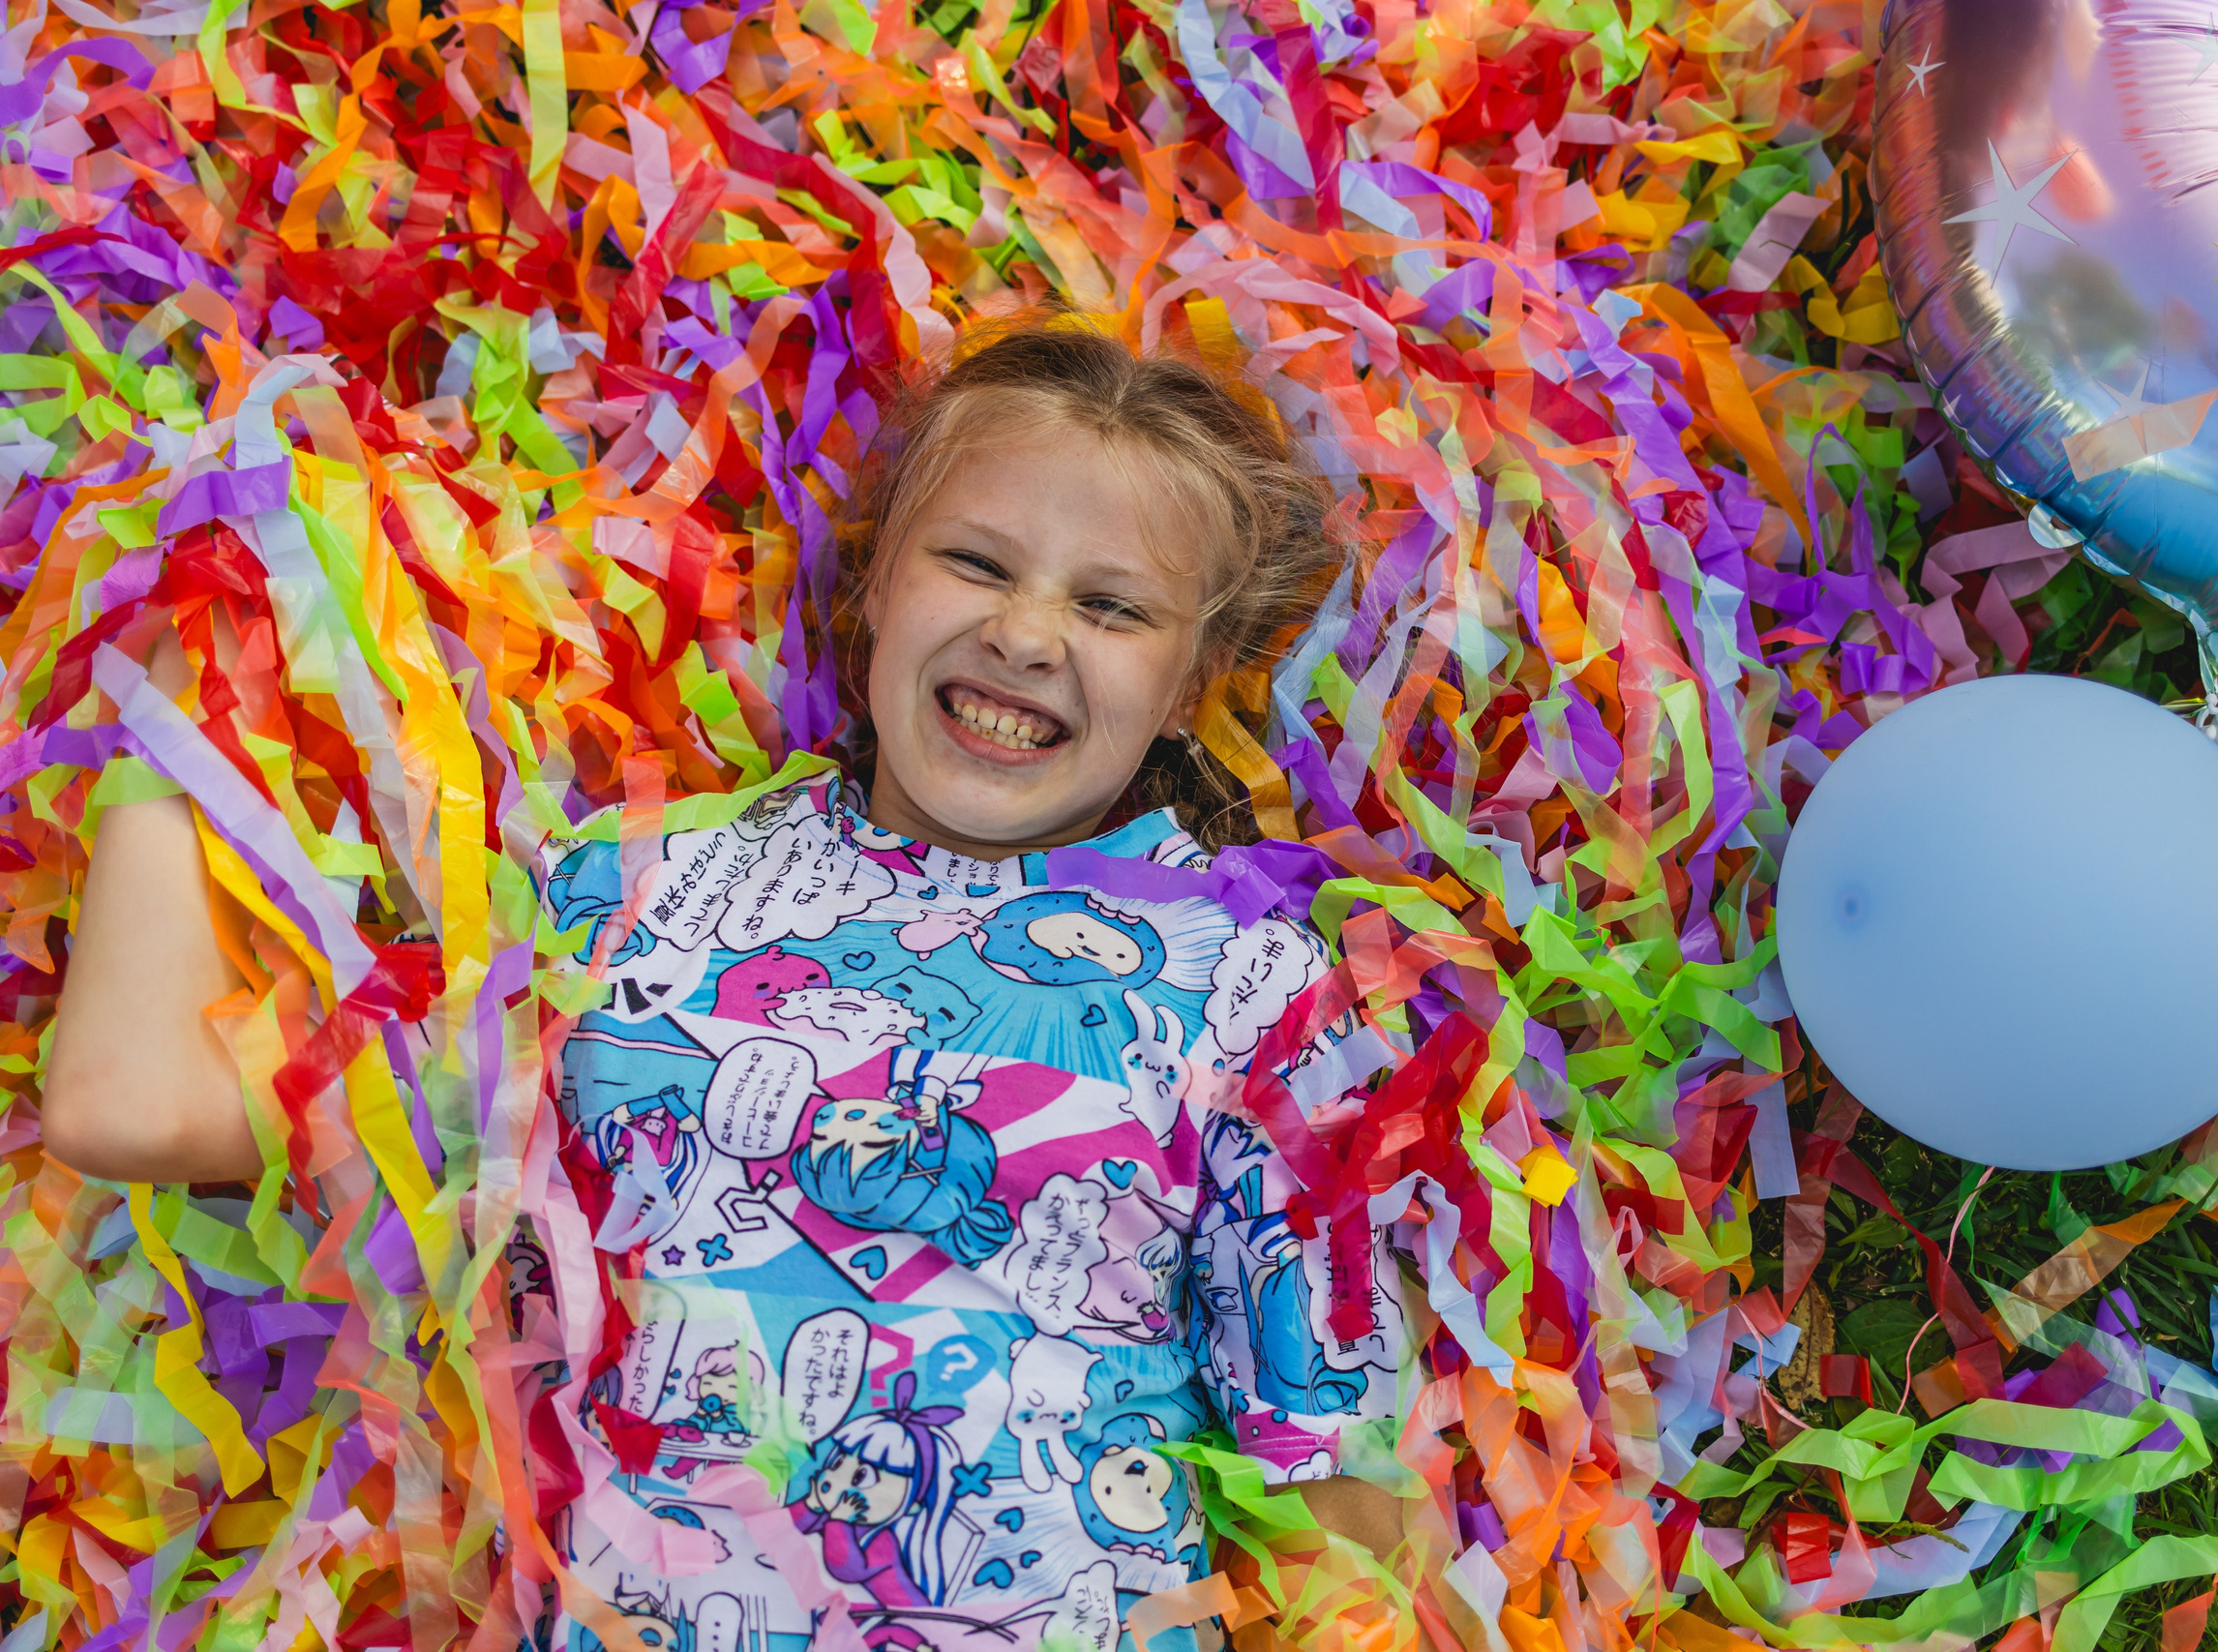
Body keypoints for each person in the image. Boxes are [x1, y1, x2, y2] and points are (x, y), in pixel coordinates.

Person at [46, 315, 1412, 1650]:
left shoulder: (1252, 983)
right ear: (876, 586)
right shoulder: (627, 895)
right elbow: (132, 1104)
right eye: (975, 562)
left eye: (1111, 607)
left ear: (1189, 683)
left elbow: (1339, 1497)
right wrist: (194, 673)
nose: (1029, 633)